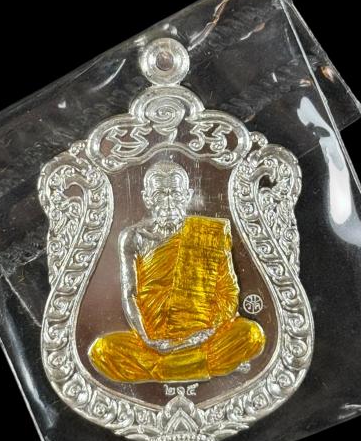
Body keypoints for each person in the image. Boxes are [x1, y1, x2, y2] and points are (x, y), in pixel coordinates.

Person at [88, 160, 265, 382]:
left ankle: (164, 369)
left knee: (252, 335)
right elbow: (130, 294)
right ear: (147, 198)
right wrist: (147, 338)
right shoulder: (133, 238)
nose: (169, 202)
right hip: (155, 342)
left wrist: (207, 333)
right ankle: (204, 365)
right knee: (102, 351)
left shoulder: (210, 233)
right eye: (160, 195)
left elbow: (228, 293)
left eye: (176, 194)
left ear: (188, 195)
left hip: (204, 335)